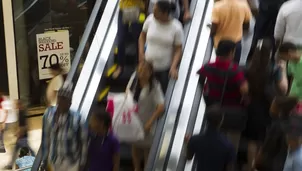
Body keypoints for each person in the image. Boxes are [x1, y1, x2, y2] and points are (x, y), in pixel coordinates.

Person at [244, 38, 287, 171]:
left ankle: (251, 166)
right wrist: (283, 69)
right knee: (264, 139)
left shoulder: (248, 68)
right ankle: (259, 166)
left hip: (252, 107)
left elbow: (245, 89)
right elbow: (283, 89)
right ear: (270, 53)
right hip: (268, 107)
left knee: (252, 139)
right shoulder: (273, 69)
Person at [139, 0, 184, 93]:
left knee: (160, 94)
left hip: (164, 69)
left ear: (164, 13)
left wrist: (173, 66)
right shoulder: (150, 20)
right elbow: (142, 36)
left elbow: (178, 49)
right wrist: (141, 53)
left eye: (156, 11)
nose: (153, 12)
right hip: (147, 66)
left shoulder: (176, 27)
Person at [41, 83, 88, 171]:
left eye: (65, 100)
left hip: (71, 163)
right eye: (60, 98)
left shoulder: (78, 118)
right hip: (54, 161)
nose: (61, 102)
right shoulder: (48, 115)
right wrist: (45, 160)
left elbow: (83, 143)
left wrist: (82, 163)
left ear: (70, 102)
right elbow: (45, 139)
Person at [128, 61, 165, 171]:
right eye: (140, 70)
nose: (141, 73)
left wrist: (151, 121)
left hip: (147, 122)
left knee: (146, 148)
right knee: (135, 145)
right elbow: (127, 91)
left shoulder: (154, 86)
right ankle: (136, 168)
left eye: (144, 71)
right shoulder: (134, 79)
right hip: (134, 119)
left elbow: (161, 106)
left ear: (150, 72)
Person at [185, 105, 235, 171]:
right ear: (221, 121)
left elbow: (188, 158)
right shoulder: (228, 145)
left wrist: (187, 143)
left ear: (206, 120)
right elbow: (230, 168)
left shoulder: (195, 139)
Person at [254, 96, 298, 171]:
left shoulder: (276, 126)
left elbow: (266, 148)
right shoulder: (292, 124)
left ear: (279, 110)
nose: (270, 107)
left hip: (272, 164)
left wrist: (256, 162)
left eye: (272, 105)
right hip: (286, 163)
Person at [112, 0, 146, 79]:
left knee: (138, 38)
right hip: (123, 9)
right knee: (121, 39)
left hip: (138, 9)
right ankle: (120, 66)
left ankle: (139, 64)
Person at [3, 100, 35, 170]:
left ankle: (35, 159)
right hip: (22, 136)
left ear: (19, 105)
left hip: (23, 137)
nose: (15, 106)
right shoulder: (21, 112)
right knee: (17, 150)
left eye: (16, 105)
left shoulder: (22, 113)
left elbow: (24, 126)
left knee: (28, 149)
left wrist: (19, 134)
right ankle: (10, 165)